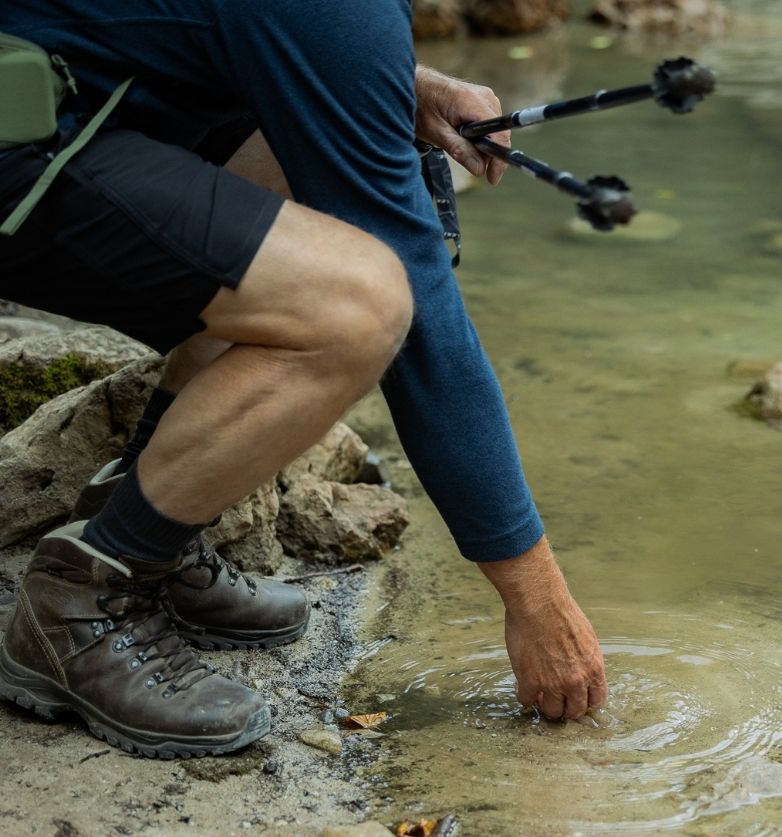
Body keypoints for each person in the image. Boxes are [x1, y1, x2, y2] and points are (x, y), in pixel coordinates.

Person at [0, 0, 608, 759]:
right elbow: (422, 316)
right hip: (24, 147)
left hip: (60, 101)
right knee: (364, 305)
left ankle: (150, 521)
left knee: (302, 146)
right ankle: (83, 600)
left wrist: (397, 82)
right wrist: (536, 598)